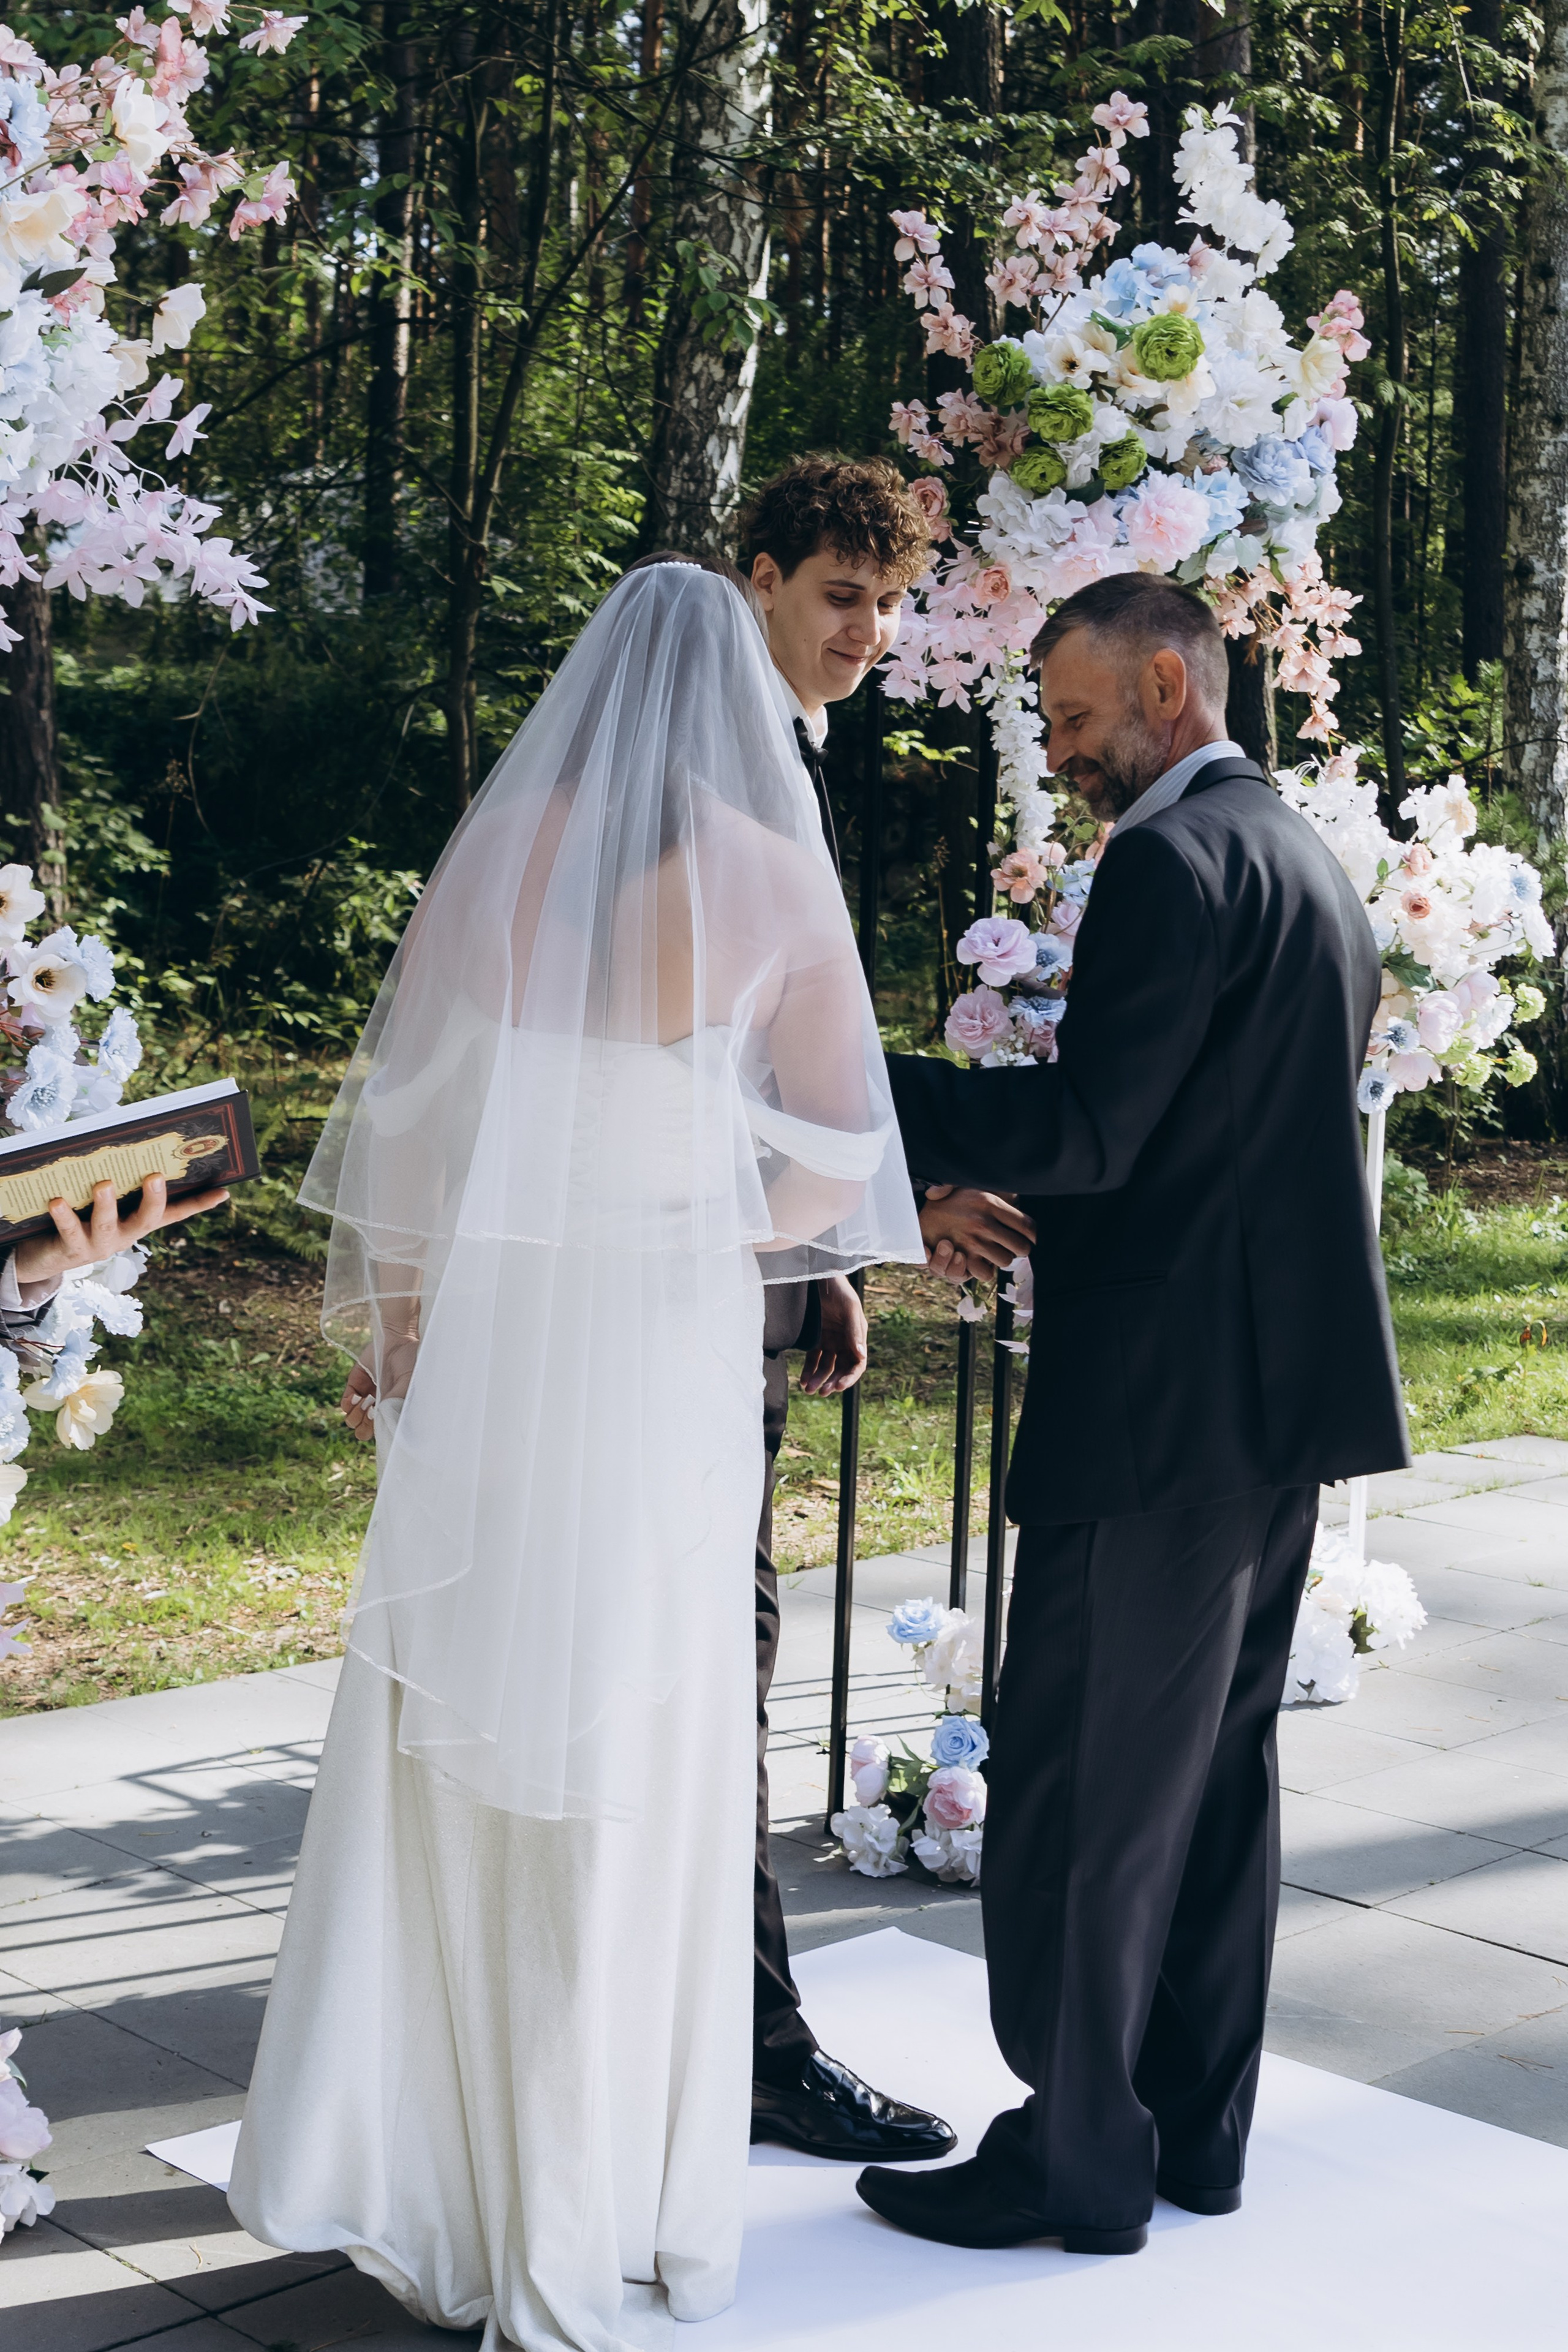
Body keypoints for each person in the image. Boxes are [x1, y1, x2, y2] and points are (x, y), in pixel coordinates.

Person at [228, 564, 926, 2351]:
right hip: (657, 1343)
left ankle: (443, 2176)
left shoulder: (508, 847)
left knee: (474, 1717)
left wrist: (402, 1328)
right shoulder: (770, 870)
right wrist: (712, 1204)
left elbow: (410, 1118)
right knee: (637, 1718)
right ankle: (601, 2197)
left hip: (494, 1333)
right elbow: (841, 1153)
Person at [857, 574, 1410, 2255]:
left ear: (1170, 683)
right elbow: (1206, 1139)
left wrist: (848, 1082)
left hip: (1163, 1412)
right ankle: (1195, 2136)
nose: (1064, 749)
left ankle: (1080, 2160)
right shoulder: (1303, 859)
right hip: (1272, 1408)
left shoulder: (1174, 862)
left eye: (1080, 716)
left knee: (1089, 1788)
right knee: (1218, 1783)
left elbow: (1097, 1134)